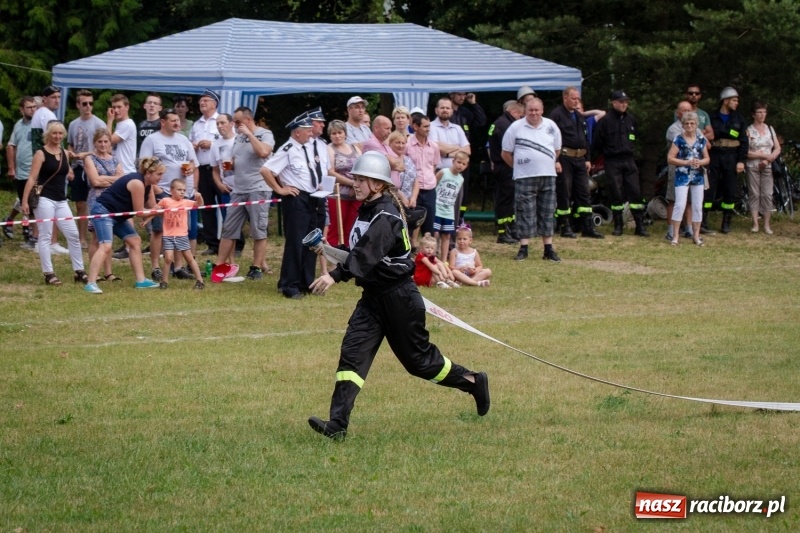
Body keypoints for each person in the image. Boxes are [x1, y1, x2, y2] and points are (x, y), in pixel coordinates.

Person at [307, 152, 490, 439]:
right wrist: (328, 250)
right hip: (372, 299)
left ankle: (473, 381)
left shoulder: (386, 215)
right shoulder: (368, 210)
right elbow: (359, 247)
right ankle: (337, 424)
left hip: (399, 298)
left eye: (361, 179)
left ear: (378, 185)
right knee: (352, 356)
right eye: (355, 178)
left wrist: (335, 274)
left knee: (420, 363)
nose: (355, 183)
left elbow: (367, 254)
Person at [262, 114, 323, 299]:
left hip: (313, 197)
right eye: (307, 131)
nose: (311, 133)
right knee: (296, 243)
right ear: (297, 132)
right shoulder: (288, 149)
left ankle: (306, 281)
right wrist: (280, 189)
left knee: (311, 242)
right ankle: (290, 285)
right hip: (296, 199)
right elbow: (266, 170)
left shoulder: (306, 148)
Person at [83, 157, 164, 293]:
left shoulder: (148, 186)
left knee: (135, 241)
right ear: (149, 173)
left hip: (118, 215)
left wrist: (168, 207)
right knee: (106, 245)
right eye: (159, 174)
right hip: (104, 211)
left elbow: (152, 207)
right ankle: (90, 283)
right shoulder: (137, 183)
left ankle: (141, 281)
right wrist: (158, 212)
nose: (161, 178)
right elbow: (139, 212)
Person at [20, 121, 87, 286]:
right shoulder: (41, 154)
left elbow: (74, 158)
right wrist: (24, 201)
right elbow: (32, 178)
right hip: (44, 199)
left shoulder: (65, 152)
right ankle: (48, 273)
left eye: (60, 134)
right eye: (54, 133)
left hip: (61, 199)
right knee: (45, 236)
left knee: (72, 235)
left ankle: (79, 271)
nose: (57, 136)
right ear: (48, 135)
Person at [139, 107, 200, 280]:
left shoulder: (184, 139)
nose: (176, 123)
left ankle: (179, 267)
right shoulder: (152, 140)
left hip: (182, 193)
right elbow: (143, 166)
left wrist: (192, 181)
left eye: (178, 120)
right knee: (159, 230)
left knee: (181, 230)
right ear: (163, 122)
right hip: (163, 192)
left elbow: (194, 164)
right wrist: (155, 189)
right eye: (172, 120)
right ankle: (156, 267)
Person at [502, 97, 563, 262]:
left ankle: (548, 249)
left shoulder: (551, 126)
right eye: (531, 110)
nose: (534, 113)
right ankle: (523, 248)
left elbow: (557, 149)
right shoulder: (515, 127)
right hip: (524, 176)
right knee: (524, 213)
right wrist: (519, 167)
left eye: (537, 110)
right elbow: (506, 153)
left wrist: (544, 161)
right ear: (525, 111)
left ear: (542, 110)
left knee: (547, 212)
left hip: (548, 175)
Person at [216, 106, 275, 277]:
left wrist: (250, 135)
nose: (234, 124)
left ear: (248, 120)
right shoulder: (238, 138)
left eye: (237, 121)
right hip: (238, 189)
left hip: (258, 188)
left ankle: (256, 267)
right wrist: (231, 165)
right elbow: (237, 158)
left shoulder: (265, 134)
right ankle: (219, 265)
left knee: (258, 229)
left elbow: (264, 152)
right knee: (229, 228)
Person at [591, 90, 649, 237]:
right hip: (612, 160)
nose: (624, 104)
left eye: (626, 102)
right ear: (613, 102)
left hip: (629, 159)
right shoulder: (605, 121)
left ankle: (639, 226)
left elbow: (636, 138)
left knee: (635, 192)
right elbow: (597, 143)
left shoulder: (631, 120)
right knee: (616, 192)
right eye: (621, 101)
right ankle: (618, 226)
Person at [550, 86, 604, 239]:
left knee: (584, 192)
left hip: (580, 158)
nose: (576, 101)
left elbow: (586, 139)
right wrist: (556, 160)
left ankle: (587, 226)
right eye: (573, 98)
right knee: (564, 191)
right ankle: (565, 226)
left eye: (578, 99)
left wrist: (588, 159)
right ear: (565, 98)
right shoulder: (556, 115)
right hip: (565, 157)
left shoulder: (580, 117)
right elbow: (551, 140)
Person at [146, 178, 205, 289]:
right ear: (171, 190)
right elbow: (155, 210)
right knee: (168, 258)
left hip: (181, 235)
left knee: (189, 258)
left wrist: (199, 197)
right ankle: (164, 282)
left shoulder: (186, 202)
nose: (182, 192)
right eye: (179, 189)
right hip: (168, 235)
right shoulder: (165, 201)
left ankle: (200, 281)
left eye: (184, 190)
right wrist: (146, 219)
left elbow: (199, 204)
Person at [706, 87, 749, 234]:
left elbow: (743, 141)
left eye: (737, 101)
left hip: (731, 156)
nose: (737, 103)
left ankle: (726, 222)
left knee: (729, 190)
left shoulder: (739, 119)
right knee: (709, 188)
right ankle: (704, 220)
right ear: (725, 101)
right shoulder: (711, 117)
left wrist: (741, 160)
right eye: (734, 100)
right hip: (714, 155)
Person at [67, 89, 106, 249]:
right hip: (78, 167)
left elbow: (105, 147)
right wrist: (70, 158)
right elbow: (70, 143)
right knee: (80, 204)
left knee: (96, 203)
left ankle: (97, 237)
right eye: (84, 103)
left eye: (90, 103)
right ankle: (81, 238)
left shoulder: (98, 123)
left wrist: (86, 154)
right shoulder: (73, 124)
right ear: (78, 105)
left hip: (95, 167)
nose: (88, 106)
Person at [84, 128, 123, 282]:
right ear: (95, 143)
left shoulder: (115, 159)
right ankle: (96, 272)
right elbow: (95, 181)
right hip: (97, 199)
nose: (103, 144)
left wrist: (104, 179)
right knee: (96, 237)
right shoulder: (90, 159)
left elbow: (121, 179)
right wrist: (112, 179)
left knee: (108, 237)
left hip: (113, 199)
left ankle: (108, 272)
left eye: (106, 141)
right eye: (99, 141)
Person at [666, 112, 710, 246]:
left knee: (697, 205)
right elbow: (670, 158)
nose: (689, 126)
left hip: (697, 176)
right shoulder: (678, 139)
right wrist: (685, 162)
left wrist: (700, 163)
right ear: (683, 125)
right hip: (682, 175)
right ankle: (675, 236)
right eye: (687, 123)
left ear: (696, 125)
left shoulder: (701, 139)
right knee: (680, 204)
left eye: (692, 123)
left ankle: (696, 235)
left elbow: (707, 158)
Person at [429, 97, 471, 223]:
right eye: (442, 108)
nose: (445, 110)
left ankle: (451, 238)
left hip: (456, 174)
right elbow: (436, 147)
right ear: (436, 110)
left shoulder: (457, 128)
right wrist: (457, 148)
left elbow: (468, 150)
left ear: (452, 111)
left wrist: (447, 152)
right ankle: (435, 238)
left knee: (455, 207)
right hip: (439, 173)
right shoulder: (431, 127)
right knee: (438, 207)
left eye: (448, 108)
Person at [487, 100, 523, 243]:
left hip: (503, 166)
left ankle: (511, 229)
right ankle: (503, 233)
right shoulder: (505, 125)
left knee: (510, 199)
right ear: (514, 112)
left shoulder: (501, 123)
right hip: (505, 166)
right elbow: (510, 148)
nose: (521, 120)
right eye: (520, 116)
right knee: (505, 200)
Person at [190, 89, 221, 256]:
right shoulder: (197, 124)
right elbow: (189, 142)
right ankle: (212, 244)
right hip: (202, 169)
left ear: (214, 103)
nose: (202, 103)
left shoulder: (221, 121)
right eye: (201, 101)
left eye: (206, 100)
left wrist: (212, 144)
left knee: (227, 207)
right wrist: (193, 145)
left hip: (220, 169)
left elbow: (230, 141)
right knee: (207, 207)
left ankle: (236, 243)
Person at [210, 113, 244, 259]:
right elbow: (215, 169)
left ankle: (260, 264)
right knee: (229, 225)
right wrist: (219, 184)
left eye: (223, 123)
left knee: (256, 226)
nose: (219, 126)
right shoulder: (215, 145)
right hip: (227, 189)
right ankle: (230, 260)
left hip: (245, 187)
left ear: (231, 124)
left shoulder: (241, 140)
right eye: (217, 124)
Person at [5, 96, 37, 246]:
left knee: (33, 205)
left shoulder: (38, 124)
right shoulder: (18, 125)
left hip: (35, 172)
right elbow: (11, 145)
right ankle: (25, 230)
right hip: (21, 172)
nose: (32, 109)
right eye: (29, 107)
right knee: (24, 204)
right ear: (21, 110)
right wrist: (11, 167)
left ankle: (31, 235)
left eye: (34, 107)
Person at [746, 101, 781, 234]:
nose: (762, 115)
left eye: (764, 112)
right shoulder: (749, 130)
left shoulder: (770, 129)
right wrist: (760, 156)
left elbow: (777, 148)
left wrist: (768, 159)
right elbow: (746, 151)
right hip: (752, 165)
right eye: (759, 112)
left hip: (768, 165)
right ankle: (755, 223)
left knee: (767, 194)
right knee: (754, 193)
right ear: (753, 114)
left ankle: (767, 225)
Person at [326, 119, 362, 246]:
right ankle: (333, 261)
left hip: (356, 194)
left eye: (340, 132)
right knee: (335, 229)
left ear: (345, 133)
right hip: (337, 195)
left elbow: (361, 167)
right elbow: (330, 172)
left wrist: (357, 183)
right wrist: (351, 183)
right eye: (333, 133)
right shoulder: (329, 149)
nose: (337, 136)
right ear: (330, 135)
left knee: (351, 228)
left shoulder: (355, 148)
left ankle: (347, 258)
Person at [664, 101, 697, 242]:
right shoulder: (673, 129)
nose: (686, 113)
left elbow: (705, 143)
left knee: (690, 200)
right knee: (673, 199)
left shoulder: (696, 128)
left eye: (689, 110)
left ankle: (689, 228)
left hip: (693, 169)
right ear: (678, 113)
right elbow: (684, 145)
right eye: (683, 110)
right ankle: (671, 230)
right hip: (677, 168)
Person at [406, 114, 441, 244]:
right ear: (415, 126)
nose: (428, 129)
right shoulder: (407, 145)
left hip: (430, 189)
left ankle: (429, 254)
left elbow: (434, 165)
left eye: (429, 126)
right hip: (413, 190)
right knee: (411, 223)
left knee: (429, 224)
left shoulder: (434, 146)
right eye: (425, 126)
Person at [434, 151, 468, 261]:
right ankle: (433, 256)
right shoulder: (443, 172)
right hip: (437, 208)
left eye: (464, 164)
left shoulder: (461, 179)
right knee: (435, 234)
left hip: (449, 211)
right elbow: (433, 185)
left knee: (447, 235)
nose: (460, 165)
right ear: (453, 161)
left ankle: (443, 260)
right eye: (459, 162)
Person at [106, 94, 138, 174]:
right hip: (119, 171)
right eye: (114, 107)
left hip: (126, 171)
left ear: (127, 107)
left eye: (119, 107)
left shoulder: (127, 124)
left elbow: (107, 141)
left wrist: (110, 120)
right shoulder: (121, 124)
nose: (116, 110)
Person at [386, 130, 416, 206]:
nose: (401, 145)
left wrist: (414, 198)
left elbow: (416, 180)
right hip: (391, 201)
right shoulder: (387, 160)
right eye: (397, 142)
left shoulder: (409, 160)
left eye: (403, 143)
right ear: (390, 143)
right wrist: (401, 197)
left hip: (408, 203)